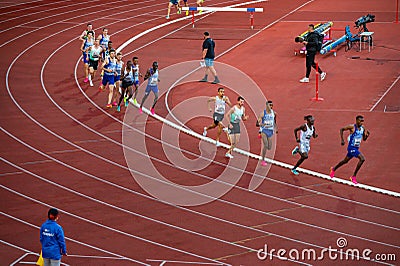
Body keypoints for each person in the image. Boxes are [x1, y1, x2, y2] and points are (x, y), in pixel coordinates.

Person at [329, 115, 370, 184]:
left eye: (363, 121)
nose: (362, 123)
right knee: (362, 159)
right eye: (360, 121)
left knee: (345, 161)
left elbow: (364, 139)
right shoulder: (352, 127)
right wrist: (342, 140)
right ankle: (353, 176)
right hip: (351, 147)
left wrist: (367, 136)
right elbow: (341, 129)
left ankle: (333, 169)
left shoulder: (363, 128)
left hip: (356, 147)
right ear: (356, 120)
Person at [257, 100, 277, 166]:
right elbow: (257, 123)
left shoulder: (274, 113)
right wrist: (261, 124)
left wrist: (276, 129)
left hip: (270, 131)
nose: (271, 106)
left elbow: (274, 122)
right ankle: (263, 160)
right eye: (269, 105)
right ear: (266, 106)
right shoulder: (263, 113)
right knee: (265, 145)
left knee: (269, 147)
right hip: (264, 130)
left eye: (272, 105)